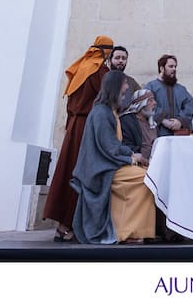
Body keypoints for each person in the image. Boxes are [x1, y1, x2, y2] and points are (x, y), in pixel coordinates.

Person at [71, 70, 156, 244]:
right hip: (101, 169)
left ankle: (132, 229)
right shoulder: (101, 113)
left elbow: (113, 145)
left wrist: (133, 156)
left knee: (149, 175)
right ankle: (126, 231)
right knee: (147, 178)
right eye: (124, 84)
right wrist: (132, 157)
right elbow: (108, 147)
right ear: (115, 87)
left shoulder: (110, 111)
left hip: (111, 164)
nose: (126, 88)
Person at [42, 35, 113, 240]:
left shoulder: (81, 67)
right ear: (105, 51)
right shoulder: (99, 70)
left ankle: (62, 225)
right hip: (87, 127)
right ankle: (72, 224)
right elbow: (106, 99)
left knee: (66, 171)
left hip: (74, 125)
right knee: (81, 173)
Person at [144, 54, 193, 137]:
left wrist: (180, 121)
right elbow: (147, 105)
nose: (174, 69)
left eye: (175, 66)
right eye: (171, 66)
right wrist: (163, 120)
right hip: (158, 135)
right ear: (161, 68)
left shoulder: (181, 89)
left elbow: (189, 105)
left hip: (179, 135)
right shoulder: (151, 87)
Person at [119, 86, 158, 161]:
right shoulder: (127, 121)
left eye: (154, 100)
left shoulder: (153, 122)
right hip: (137, 162)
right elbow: (125, 146)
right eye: (150, 100)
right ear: (141, 104)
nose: (154, 103)